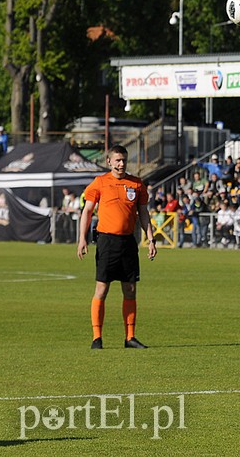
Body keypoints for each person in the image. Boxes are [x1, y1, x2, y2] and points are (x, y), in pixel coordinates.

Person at [76, 145, 157, 349]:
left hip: (129, 241)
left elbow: (144, 214)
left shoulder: (136, 184)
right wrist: (82, 238)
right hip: (106, 241)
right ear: (109, 161)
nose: (121, 164)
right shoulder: (100, 183)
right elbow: (87, 211)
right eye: (117, 160)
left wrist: (151, 239)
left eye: (124, 160)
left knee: (130, 289)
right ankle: (97, 338)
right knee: (102, 289)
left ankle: (130, 337)